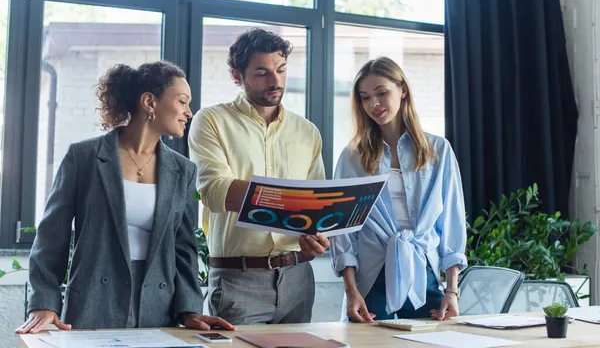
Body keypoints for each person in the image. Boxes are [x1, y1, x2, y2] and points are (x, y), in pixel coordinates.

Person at [16, 61, 234, 333]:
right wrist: (44, 303)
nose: (189, 112)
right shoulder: (83, 158)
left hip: (158, 306)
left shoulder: (183, 170)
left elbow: (184, 248)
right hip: (92, 304)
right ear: (149, 102)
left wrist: (189, 310)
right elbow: (51, 238)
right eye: (182, 101)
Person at [188, 28, 330, 325]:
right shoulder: (211, 120)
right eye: (262, 73)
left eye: (281, 70)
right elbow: (216, 192)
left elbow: (316, 205)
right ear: (237, 76)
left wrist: (317, 236)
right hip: (238, 279)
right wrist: (291, 201)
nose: (275, 81)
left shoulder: (307, 132)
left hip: (298, 278)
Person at [331, 56, 467, 323]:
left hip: (424, 272)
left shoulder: (437, 150)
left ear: (402, 90)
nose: (374, 104)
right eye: (365, 97)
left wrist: (452, 289)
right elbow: (342, 230)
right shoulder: (352, 156)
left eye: (382, 93)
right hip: (371, 277)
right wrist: (350, 291)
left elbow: (451, 221)